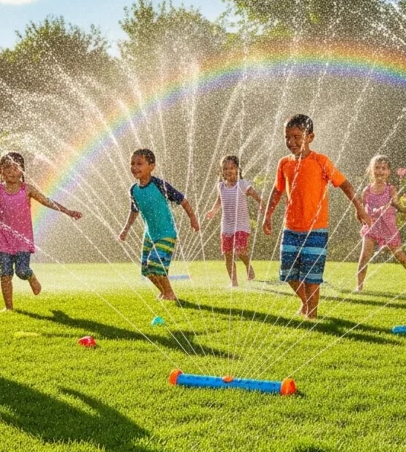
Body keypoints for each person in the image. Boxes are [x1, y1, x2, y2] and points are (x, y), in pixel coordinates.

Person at [262, 114, 371, 319]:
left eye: (296, 136)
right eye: (287, 137)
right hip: (291, 228)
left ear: (310, 137)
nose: (291, 142)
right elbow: (277, 191)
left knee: (311, 277)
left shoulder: (321, 161)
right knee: (288, 274)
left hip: (316, 229)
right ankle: (305, 303)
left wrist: (360, 208)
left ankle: (312, 314)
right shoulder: (284, 163)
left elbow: (345, 185)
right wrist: (267, 215)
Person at [0, 151, 82, 312]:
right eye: (8, 168)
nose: (12, 172)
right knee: (5, 273)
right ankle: (9, 307)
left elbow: (48, 201)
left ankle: (31, 276)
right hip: (4, 239)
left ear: (23, 170)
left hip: (22, 240)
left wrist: (68, 211)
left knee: (21, 271)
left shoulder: (28, 190)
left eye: (17, 168)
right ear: (1, 171)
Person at [119, 148, 199, 301]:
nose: (135, 167)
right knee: (146, 270)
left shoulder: (160, 185)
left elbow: (183, 200)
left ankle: (170, 293)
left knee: (156, 265)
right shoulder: (134, 190)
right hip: (149, 235)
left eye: (139, 164)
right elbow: (134, 211)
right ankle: (164, 292)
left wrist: (193, 218)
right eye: (132, 164)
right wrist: (126, 229)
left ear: (151, 166)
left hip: (166, 233)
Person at [355, 155, 406, 292]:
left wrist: (405, 210)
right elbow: (362, 209)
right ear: (371, 170)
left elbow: (396, 204)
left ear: (388, 172)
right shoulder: (366, 190)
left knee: (400, 256)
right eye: (376, 168)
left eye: (383, 168)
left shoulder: (390, 189)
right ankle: (359, 286)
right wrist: (361, 215)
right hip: (371, 227)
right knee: (364, 256)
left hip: (388, 228)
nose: (379, 171)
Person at [204, 156, 263, 286]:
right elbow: (219, 201)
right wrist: (213, 211)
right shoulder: (220, 186)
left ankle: (248, 265)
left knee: (239, 251)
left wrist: (261, 204)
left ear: (237, 169)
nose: (228, 171)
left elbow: (255, 195)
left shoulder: (242, 184)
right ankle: (234, 282)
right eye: (225, 168)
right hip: (226, 226)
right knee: (228, 255)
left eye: (232, 168)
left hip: (241, 225)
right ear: (221, 171)